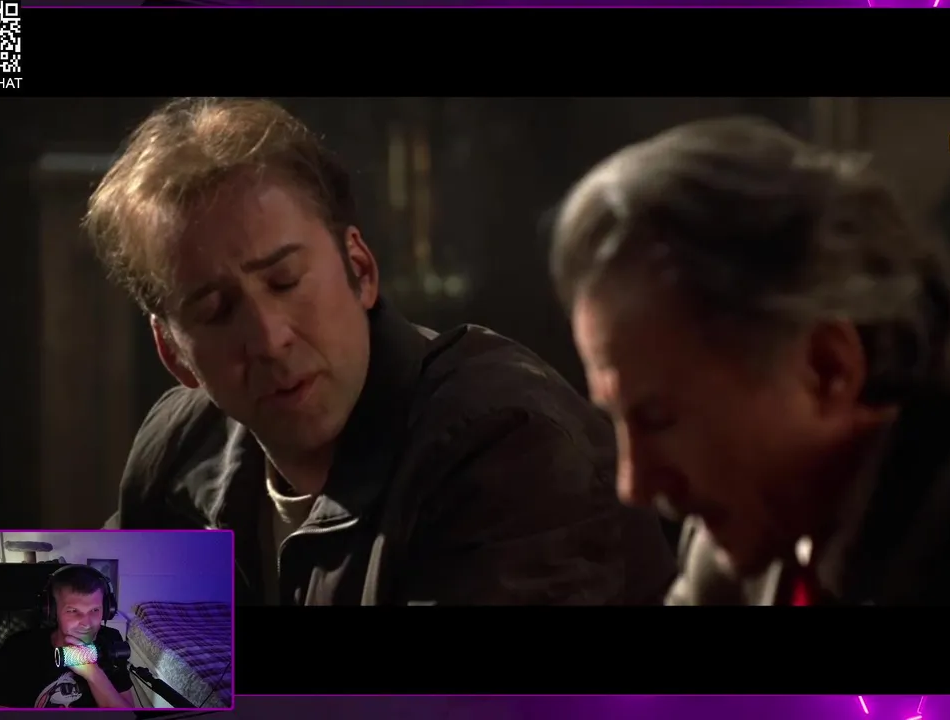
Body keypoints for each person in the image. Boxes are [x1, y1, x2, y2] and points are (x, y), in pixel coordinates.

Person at [548, 116, 950, 606]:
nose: (635, 484)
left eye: (658, 418)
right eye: (617, 419)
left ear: (826, 368)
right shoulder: (745, 523)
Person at [87, 97, 675, 606]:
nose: (269, 338)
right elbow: (89, 665)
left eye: (286, 281)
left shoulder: (508, 446)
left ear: (361, 270)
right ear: (174, 353)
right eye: (217, 311)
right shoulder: (180, 452)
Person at [0, 566, 134, 708]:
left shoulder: (110, 639)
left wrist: (92, 672)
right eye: (73, 611)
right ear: (52, 611)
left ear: (107, 609)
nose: (87, 623)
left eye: (95, 610)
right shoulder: (17, 649)